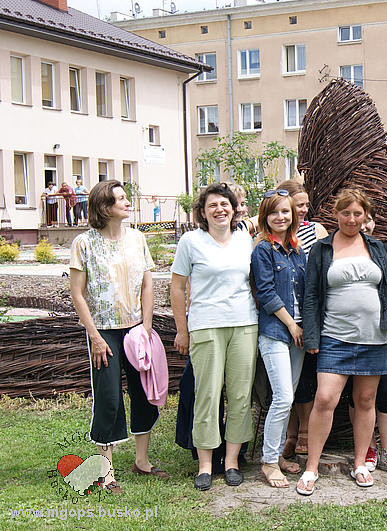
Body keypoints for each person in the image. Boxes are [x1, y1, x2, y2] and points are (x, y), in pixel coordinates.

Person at [296, 188, 387, 495]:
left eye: (358, 214)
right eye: (346, 213)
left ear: (365, 216)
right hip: (335, 337)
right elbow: (311, 295)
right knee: (325, 399)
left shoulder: (376, 248)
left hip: (375, 338)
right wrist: (313, 336)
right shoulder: (322, 249)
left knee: (366, 401)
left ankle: (360, 463)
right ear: (336, 214)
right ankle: (311, 468)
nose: (352, 219)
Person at [68, 180, 168, 494]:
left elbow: (148, 285)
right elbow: (77, 294)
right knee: (109, 398)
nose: (127, 202)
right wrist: (95, 337)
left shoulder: (138, 239)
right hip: (104, 333)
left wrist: (147, 327)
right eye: (120, 199)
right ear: (104, 207)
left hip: (137, 329)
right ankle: (106, 473)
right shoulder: (83, 243)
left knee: (143, 393)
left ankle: (141, 461)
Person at [171, 182, 259, 491]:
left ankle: (232, 460)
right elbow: (178, 287)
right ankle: (205, 463)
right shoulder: (190, 242)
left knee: (239, 395)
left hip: (244, 324)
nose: (220, 210)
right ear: (203, 212)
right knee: (206, 395)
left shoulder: (245, 240)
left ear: (235, 208)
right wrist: (182, 329)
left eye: (225, 204)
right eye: (213, 205)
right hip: (206, 325)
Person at [250, 189, 306, 487]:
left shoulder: (297, 250)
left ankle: (278, 455)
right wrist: (292, 325)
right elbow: (267, 293)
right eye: (274, 212)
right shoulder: (263, 249)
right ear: (265, 217)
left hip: (297, 334)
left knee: (288, 397)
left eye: (285, 211)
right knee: (283, 396)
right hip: (275, 332)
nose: (280, 217)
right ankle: (269, 461)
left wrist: (305, 327)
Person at [347, 210, 387, 475]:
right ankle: (367, 449)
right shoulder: (341, 250)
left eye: (370, 218)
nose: (365, 224)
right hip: (353, 337)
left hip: (386, 335)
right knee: (360, 396)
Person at [276, 179, 328, 459]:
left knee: (307, 375)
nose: (305, 210)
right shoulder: (275, 234)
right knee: (286, 381)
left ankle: (305, 432)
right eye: (299, 205)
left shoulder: (316, 230)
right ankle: (290, 433)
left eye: (307, 204)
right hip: (284, 313)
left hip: (310, 310)